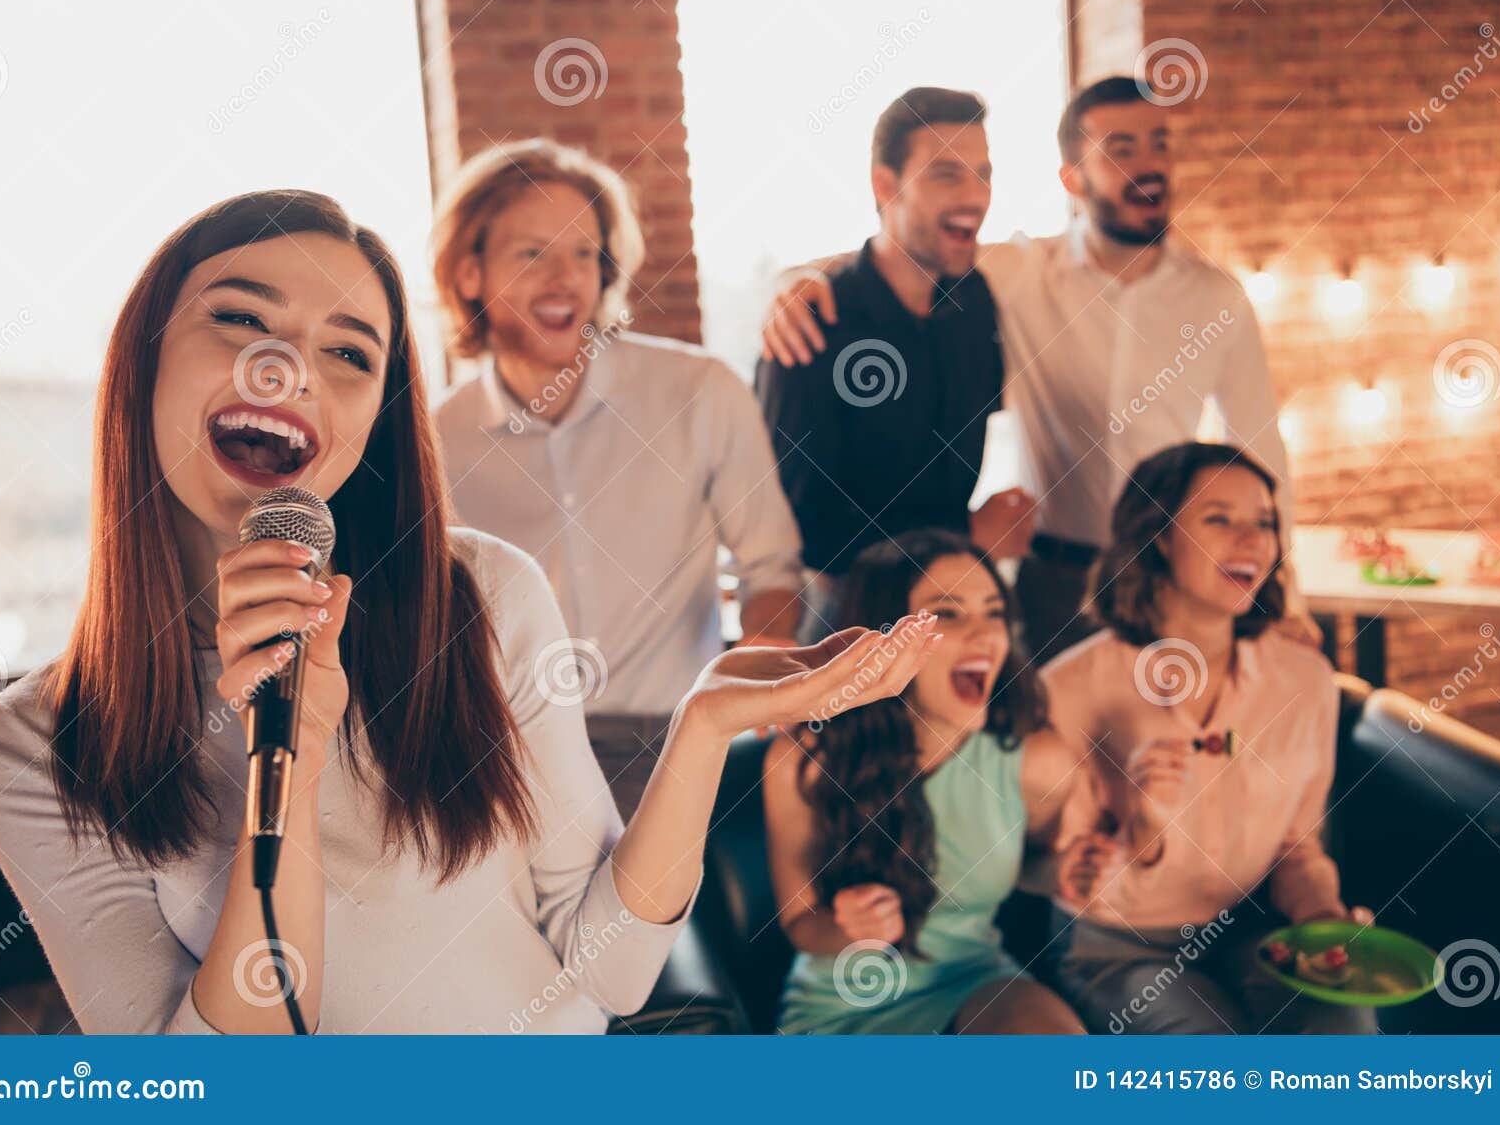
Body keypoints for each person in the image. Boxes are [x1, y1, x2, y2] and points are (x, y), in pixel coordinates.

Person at [0, 190, 942, 1035]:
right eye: (240, 319)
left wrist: (705, 719)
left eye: (349, 351)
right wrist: (287, 763)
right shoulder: (31, 746)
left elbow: (610, 967)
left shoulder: (486, 595)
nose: (286, 371)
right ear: (142, 358)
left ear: (373, 420)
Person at [759, 77, 1313, 662]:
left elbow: (1261, 452)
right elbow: (892, 258)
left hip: (1172, 576)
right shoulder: (1017, 275)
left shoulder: (1217, 299)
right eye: (1120, 150)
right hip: (1045, 583)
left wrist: (1285, 597)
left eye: (1158, 144)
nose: (1147, 165)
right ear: (1072, 179)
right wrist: (789, 286)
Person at [433, 139, 804, 819]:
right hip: (503, 760)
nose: (566, 277)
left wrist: (765, 642)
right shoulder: (433, 441)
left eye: (584, 253)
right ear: (468, 274)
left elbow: (771, 565)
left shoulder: (701, 391)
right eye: (532, 252)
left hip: (673, 744)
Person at [1047, 441, 1375, 1035]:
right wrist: (1141, 830)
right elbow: (1070, 874)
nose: (1250, 541)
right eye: (1219, 519)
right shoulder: (1071, 689)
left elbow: (1296, 849)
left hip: (1254, 928)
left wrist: (1324, 919)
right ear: (1157, 537)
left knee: (1345, 1025)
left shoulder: (1303, 679)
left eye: (1264, 524)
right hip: (1119, 944)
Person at [764, 528, 1087, 1034]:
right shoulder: (801, 759)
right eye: (949, 613)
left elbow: (1037, 868)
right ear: (883, 639)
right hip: (844, 1000)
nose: (985, 635)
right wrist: (849, 929)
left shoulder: (1040, 760)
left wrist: (1072, 873)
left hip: (974, 979)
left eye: (994, 612)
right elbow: (800, 923)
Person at [754, 88, 1035, 641]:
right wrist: (969, 533)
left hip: (951, 600)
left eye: (983, 173)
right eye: (947, 175)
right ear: (886, 185)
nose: (975, 195)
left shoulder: (975, 298)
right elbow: (802, 527)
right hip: (844, 619)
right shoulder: (816, 319)